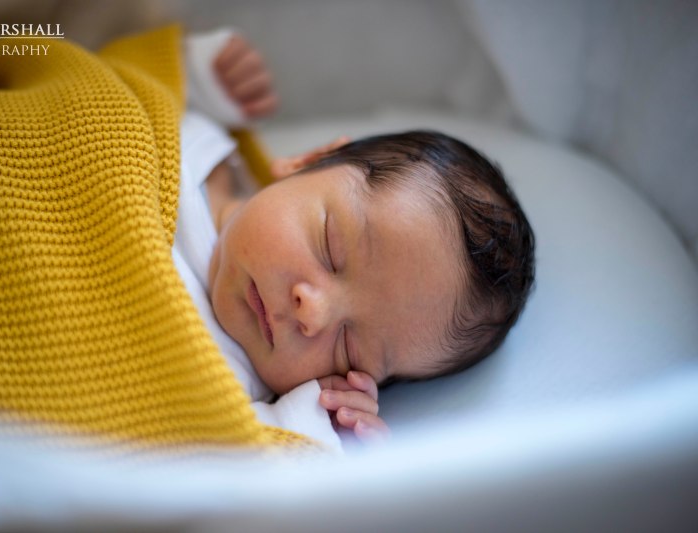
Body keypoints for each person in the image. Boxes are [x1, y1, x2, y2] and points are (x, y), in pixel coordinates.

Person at [176, 30, 535, 451]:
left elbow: (196, 464)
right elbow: (133, 80)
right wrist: (202, 75)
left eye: (348, 349)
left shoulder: (231, 395)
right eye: (330, 250)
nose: (313, 311)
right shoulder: (197, 142)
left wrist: (312, 424)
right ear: (307, 161)